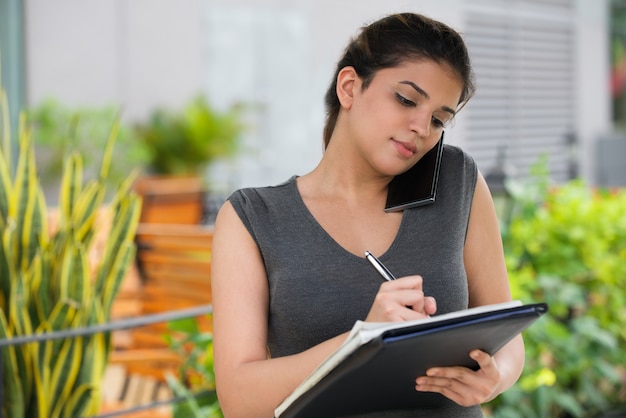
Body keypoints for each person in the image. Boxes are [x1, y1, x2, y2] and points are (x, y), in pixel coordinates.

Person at [210, 12, 525, 418]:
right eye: (406, 100)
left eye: (438, 120)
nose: (421, 128)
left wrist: (495, 376)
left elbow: (508, 336)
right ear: (349, 87)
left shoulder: (456, 180)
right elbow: (239, 399)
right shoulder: (253, 218)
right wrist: (363, 340)